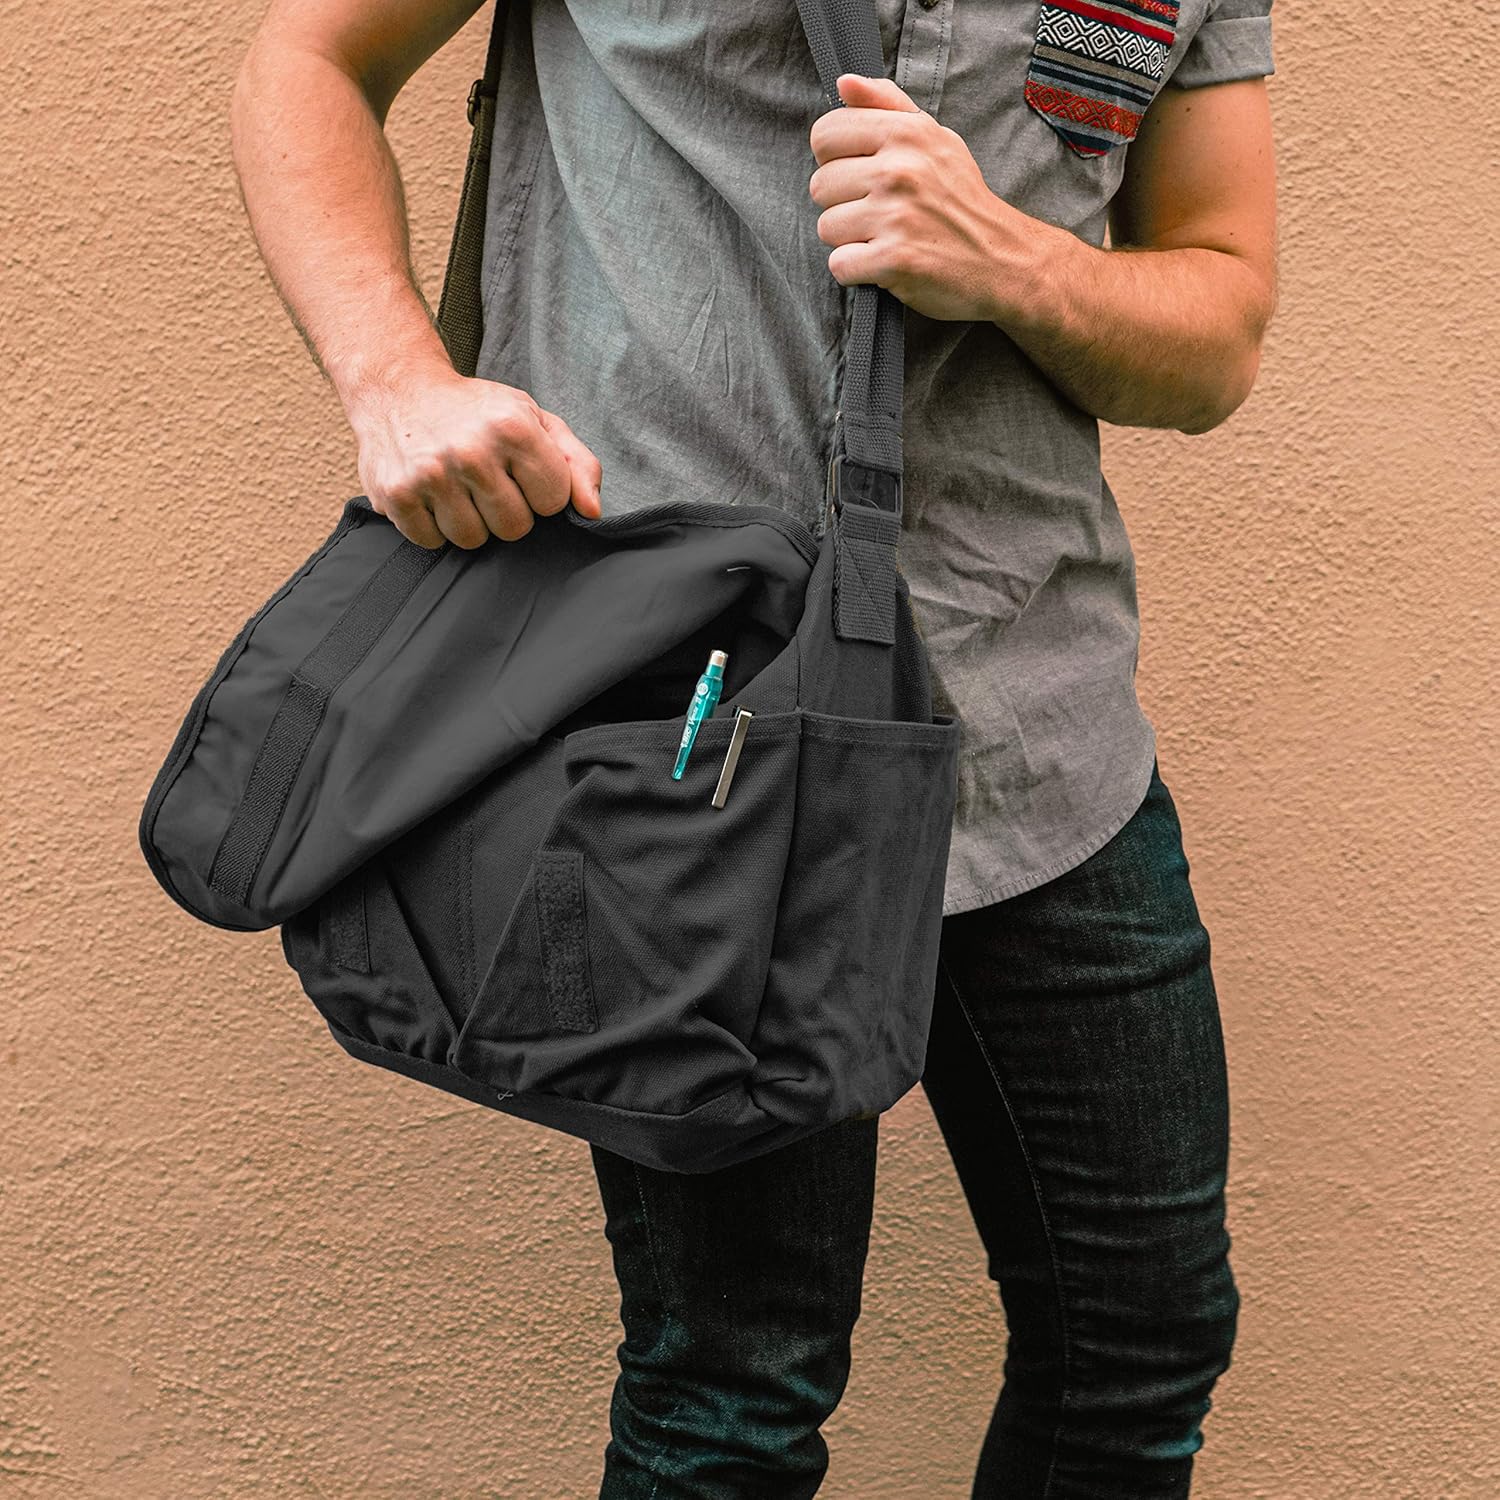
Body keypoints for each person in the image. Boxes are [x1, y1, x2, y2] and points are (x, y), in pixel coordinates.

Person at [229, 0, 1277, 1493]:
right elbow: (309, 61)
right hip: (690, 744)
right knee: (734, 1394)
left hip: (1039, 728)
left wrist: (1012, 259)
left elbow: (1221, 330)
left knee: (1142, 1342)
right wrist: (395, 380)